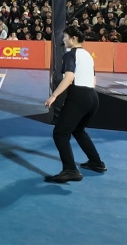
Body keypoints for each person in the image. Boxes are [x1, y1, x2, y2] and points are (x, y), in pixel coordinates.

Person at [44, 26, 106, 183]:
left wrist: (54, 95)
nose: (64, 40)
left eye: (65, 37)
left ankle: (70, 170)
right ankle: (96, 162)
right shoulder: (88, 55)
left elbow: (69, 77)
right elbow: (93, 80)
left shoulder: (70, 55)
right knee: (78, 130)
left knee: (60, 133)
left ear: (73, 38)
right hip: (93, 97)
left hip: (79, 96)